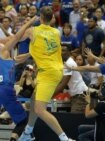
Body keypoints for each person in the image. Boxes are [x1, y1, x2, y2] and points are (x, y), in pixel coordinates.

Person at [18, 6, 74, 141]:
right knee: (33, 100)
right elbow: (44, 49)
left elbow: (17, 37)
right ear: (52, 19)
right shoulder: (56, 32)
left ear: (40, 18)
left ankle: (65, 138)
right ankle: (27, 132)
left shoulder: (33, 31)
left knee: (39, 110)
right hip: (53, 70)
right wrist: (30, 54)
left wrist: (29, 22)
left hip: (48, 73)